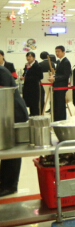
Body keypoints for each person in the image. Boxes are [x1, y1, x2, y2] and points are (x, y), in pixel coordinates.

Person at [0, 62, 28, 197]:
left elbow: (4, 94)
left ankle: (10, 185)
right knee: (5, 149)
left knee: (12, 151)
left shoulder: (1, 71)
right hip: (6, 112)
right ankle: (4, 181)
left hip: (14, 112)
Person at [51, 46, 72, 121]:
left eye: (58, 51)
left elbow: (66, 75)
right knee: (56, 104)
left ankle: (61, 119)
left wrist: (55, 78)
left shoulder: (66, 62)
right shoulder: (58, 61)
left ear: (63, 52)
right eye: (56, 51)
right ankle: (56, 119)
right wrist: (53, 76)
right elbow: (59, 73)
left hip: (61, 86)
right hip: (57, 86)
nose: (57, 53)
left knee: (60, 104)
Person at [22, 51, 42, 116]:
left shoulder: (37, 66)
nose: (28, 58)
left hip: (34, 87)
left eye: (30, 56)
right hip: (27, 86)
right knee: (29, 102)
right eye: (27, 56)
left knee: (34, 102)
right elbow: (25, 74)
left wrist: (26, 78)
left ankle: (35, 115)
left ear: (34, 58)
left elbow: (40, 76)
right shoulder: (27, 65)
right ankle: (31, 114)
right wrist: (23, 76)